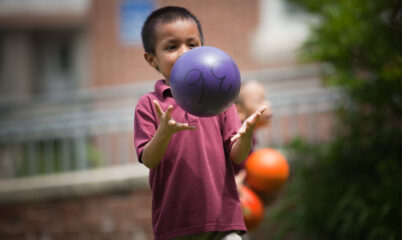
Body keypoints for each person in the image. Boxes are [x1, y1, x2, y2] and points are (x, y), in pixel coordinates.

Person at [134, 6, 267, 240]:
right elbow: (149, 160)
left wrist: (245, 137)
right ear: (151, 59)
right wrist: (163, 132)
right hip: (175, 225)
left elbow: (236, 155)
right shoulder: (150, 104)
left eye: (192, 44)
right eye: (172, 46)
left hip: (224, 221)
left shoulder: (222, 99)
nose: (185, 52)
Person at [234, 80, 273, 188]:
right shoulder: (236, 138)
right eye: (260, 101)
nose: (268, 104)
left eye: (265, 99)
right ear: (239, 111)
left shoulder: (252, 136)